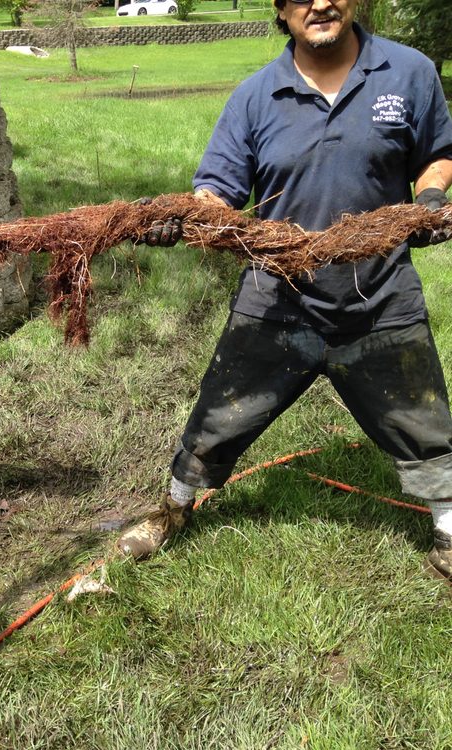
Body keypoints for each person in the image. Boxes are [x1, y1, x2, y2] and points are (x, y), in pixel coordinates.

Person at [118, 0, 452, 578]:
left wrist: (431, 199)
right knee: (219, 416)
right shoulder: (255, 95)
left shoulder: (408, 73)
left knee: (425, 423)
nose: (319, 3)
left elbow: (438, 155)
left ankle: (449, 530)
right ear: (279, 8)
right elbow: (218, 188)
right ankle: (172, 508)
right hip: (276, 298)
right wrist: (185, 214)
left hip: (379, 295)